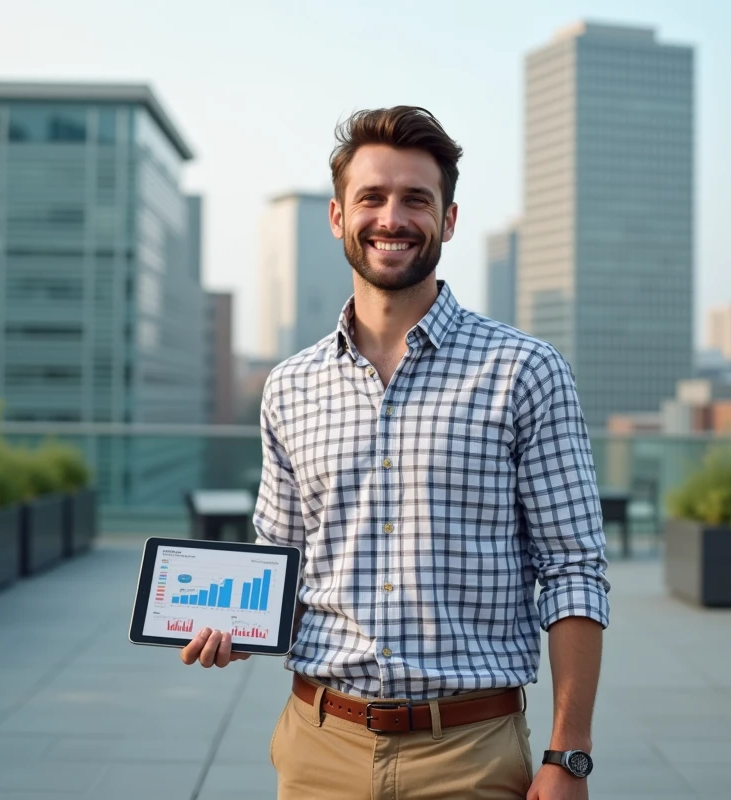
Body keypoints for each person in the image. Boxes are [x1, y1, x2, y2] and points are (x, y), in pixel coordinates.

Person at [181, 106, 610, 800]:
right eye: (371, 198)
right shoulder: (289, 385)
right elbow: (282, 554)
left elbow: (574, 571)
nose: (392, 217)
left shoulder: (523, 370)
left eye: (417, 199)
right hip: (317, 744)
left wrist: (570, 755)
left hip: (468, 754)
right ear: (337, 216)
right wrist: (227, 623)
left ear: (448, 219)